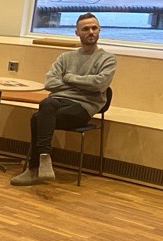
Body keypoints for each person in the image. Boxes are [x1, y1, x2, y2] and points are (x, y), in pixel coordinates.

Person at [11, 13, 116, 186]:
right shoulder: (65, 57)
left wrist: (69, 78)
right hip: (58, 101)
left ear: (99, 30)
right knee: (46, 103)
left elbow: (99, 84)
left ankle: (35, 168)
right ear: (77, 32)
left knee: (38, 118)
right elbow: (49, 83)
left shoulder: (108, 59)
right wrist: (83, 85)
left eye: (94, 28)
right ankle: (44, 159)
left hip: (83, 106)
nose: (91, 32)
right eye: (85, 29)